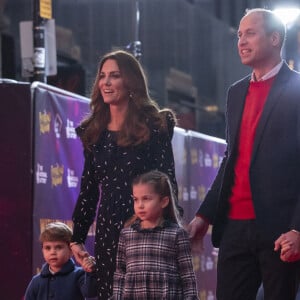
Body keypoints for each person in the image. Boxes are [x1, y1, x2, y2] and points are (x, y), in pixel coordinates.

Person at [188, 8, 300, 300]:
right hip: (235, 226)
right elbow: (232, 158)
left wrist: (298, 228)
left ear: (275, 38)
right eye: (239, 35)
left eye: (250, 33)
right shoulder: (235, 93)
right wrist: (204, 215)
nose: (241, 41)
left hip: (280, 231)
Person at [70, 49, 179, 299]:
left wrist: (169, 232)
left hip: (147, 231)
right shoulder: (93, 132)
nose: (106, 82)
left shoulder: (154, 126)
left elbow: (168, 184)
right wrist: (76, 238)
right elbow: (88, 189)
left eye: (115, 76)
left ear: (130, 81)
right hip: (108, 233)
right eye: (103, 76)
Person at [111, 170, 198, 299]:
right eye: (136, 199)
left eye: (146, 199)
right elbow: (120, 274)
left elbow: (187, 275)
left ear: (164, 201)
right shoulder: (127, 235)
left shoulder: (177, 234)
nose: (140, 205)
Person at [24, 222, 97, 300]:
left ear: (71, 250)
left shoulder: (79, 274)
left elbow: (90, 293)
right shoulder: (36, 281)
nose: (52, 252)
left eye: (59, 247)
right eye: (48, 248)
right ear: (42, 250)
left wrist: (90, 272)